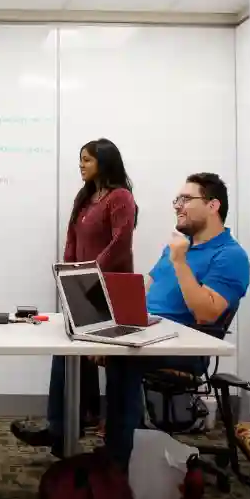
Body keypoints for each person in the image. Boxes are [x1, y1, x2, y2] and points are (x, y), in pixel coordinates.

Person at [12, 172, 250, 470]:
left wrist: (179, 262)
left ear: (213, 205)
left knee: (123, 359)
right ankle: (61, 433)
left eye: (186, 199)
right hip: (146, 330)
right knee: (71, 342)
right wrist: (106, 322)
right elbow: (145, 286)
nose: (178, 205)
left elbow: (206, 312)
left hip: (186, 345)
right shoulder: (178, 246)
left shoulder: (230, 256)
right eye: (177, 199)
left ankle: (118, 459)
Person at [64, 139, 139, 431]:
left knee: (109, 357)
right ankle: (77, 419)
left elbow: (121, 242)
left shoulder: (120, 197)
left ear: (104, 162)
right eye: (80, 159)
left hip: (110, 287)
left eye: (87, 160)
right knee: (76, 353)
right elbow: (72, 239)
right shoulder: (84, 198)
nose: (81, 165)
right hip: (83, 284)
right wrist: (69, 275)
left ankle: (116, 422)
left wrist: (92, 272)